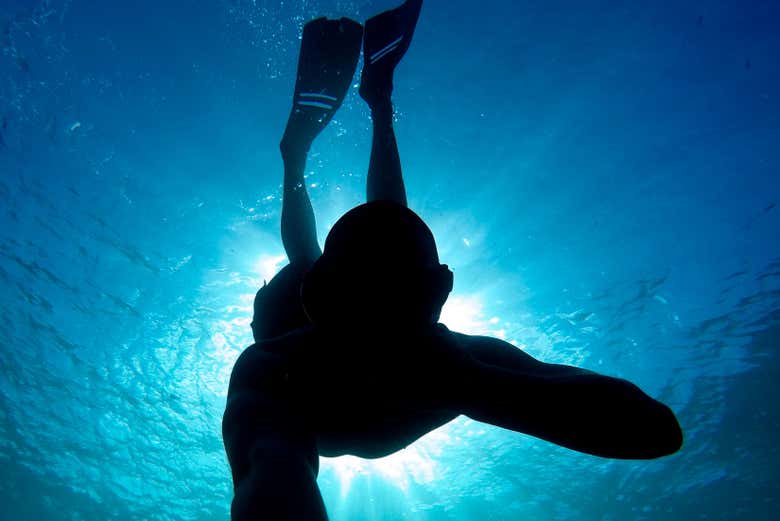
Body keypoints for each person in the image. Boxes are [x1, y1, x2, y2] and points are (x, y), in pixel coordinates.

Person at [222, 1, 684, 519]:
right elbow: (273, 475)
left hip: (326, 315)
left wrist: (468, 384)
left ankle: (327, 139)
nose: (379, 328)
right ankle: (352, 124)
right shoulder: (279, 365)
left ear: (439, 295)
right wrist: (470, 385)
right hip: (299, 322)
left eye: (396, 297)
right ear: (442, 293)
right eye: (367, 297)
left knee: (371, 238)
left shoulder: (450, 359)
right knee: (351, 244)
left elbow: (658, 431)